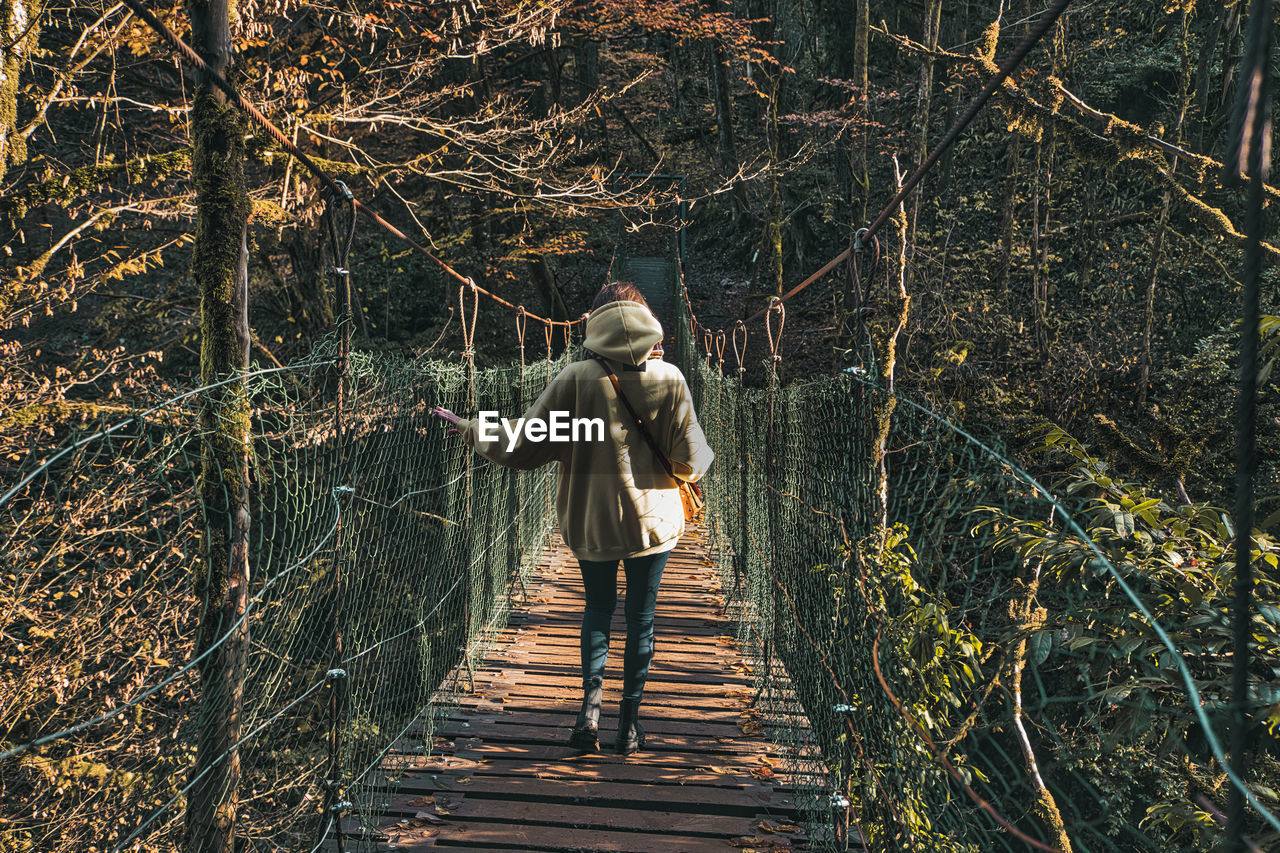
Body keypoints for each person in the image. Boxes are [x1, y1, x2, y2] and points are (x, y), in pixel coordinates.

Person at [431, 281, 713, 754]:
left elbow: (523, 444)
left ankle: (589, 711)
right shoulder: (671, 379)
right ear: (648, 321)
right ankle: (628, 727)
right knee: (641, 620)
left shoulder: (576, 378)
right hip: (653, 523)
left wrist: (472, 427)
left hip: (591, 522)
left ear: (594, 322)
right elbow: (691, 462)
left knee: (598, 610)